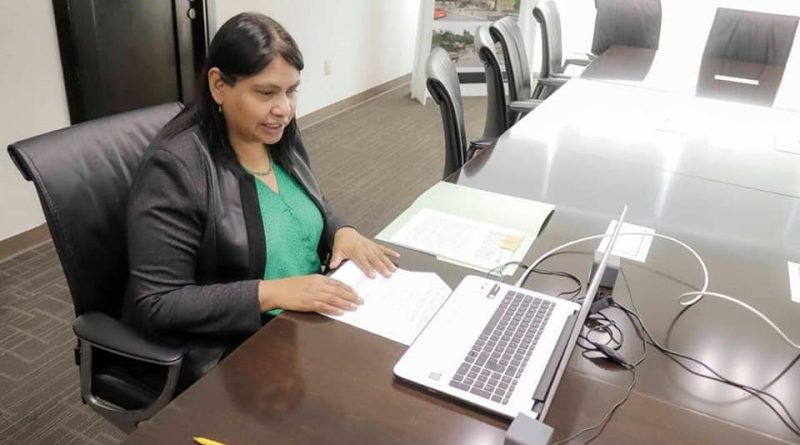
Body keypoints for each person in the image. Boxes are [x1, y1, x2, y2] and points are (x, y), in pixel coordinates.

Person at [122, 12, 399, 388]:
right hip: (239, 348)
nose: (284, 108)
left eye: (291, 91)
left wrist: (341, 229)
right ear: (219, 85)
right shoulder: (176, 168)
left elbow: (304, 199)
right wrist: (271, 293)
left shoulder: (277, 133)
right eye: (266, 93)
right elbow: (157, 302)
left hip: (307, 318)